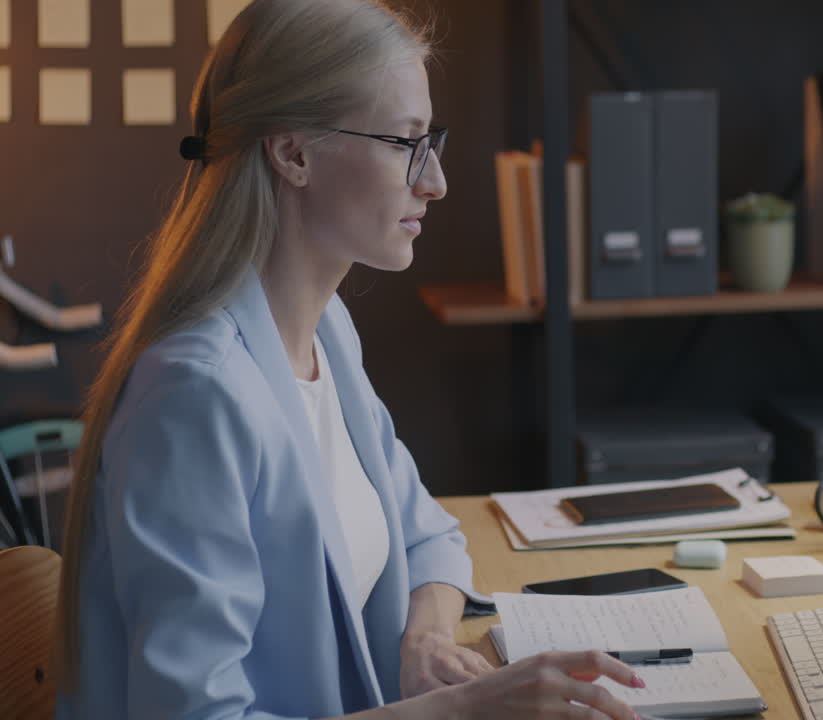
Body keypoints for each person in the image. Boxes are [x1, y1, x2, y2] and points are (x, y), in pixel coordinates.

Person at [53, 1, 644, 718]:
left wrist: (424, 638)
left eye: (432, 142)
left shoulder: (323, 329)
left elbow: (427, 531)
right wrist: (463, 709)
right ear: (293, 152)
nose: (435, 183)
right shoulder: (195, 395)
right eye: (404, 143)